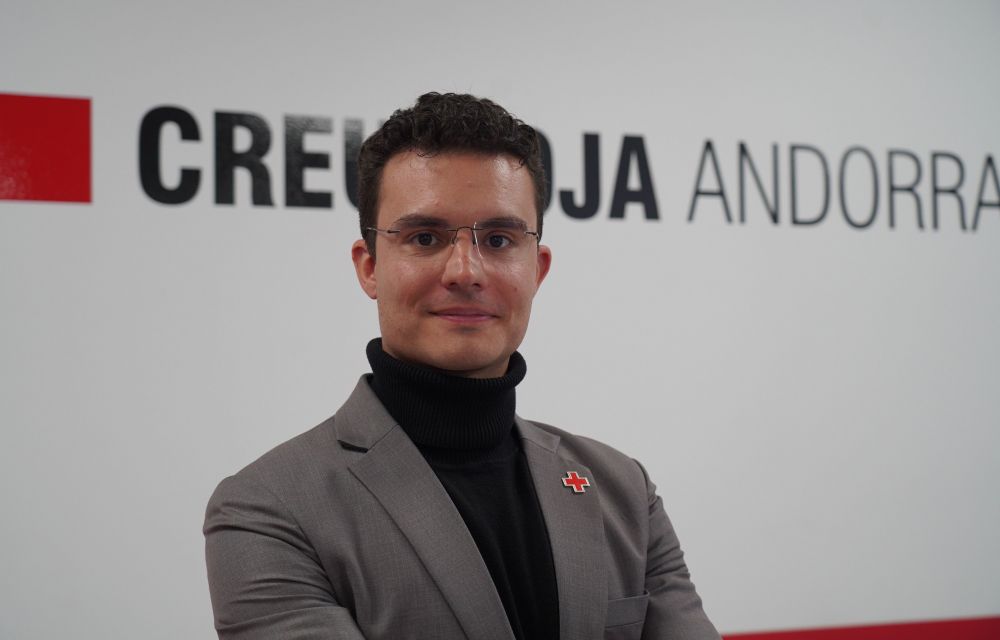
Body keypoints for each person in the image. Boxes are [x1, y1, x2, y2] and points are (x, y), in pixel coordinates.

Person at [204, 92, 720, 640]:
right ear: (370, 266)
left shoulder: (623, 491)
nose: (465, 271)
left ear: (537, 269)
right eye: (425, 238)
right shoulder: (269, 510)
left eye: (498, 239)